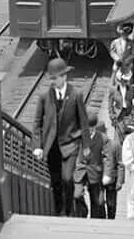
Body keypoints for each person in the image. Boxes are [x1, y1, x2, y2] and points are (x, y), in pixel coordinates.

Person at [32, 58, 90, 217]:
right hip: (51, 146)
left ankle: (70, 212)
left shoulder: (76, 94)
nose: (53, 81)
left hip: (70, 144)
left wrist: (86, 146)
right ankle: (59, 212)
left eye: (55, 78)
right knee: (56, 181)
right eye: (51, 78)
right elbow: (37, 122)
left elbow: (84, 122)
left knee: (67, 178)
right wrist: (37, 145)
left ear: (64, 77)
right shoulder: (44, 96)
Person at [73, 112, 107, 218]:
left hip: (95, 171)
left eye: (92, 127)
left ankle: (96, 221)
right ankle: (83, 211)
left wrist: (106, 174)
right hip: (80, 170)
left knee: (98, 202)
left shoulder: (103, 138)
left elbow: (106, 157)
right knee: (77, 194)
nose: (90, 130)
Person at [99, 123, 124, 220]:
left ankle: (111, 220)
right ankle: (102, 220)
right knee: (100, 202)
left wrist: (120, 181)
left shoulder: (115, 145)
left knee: (111, 204)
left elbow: (120, 164)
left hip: (112, 180)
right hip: (98, 179)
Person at [108, 68, 134, 145]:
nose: (125, 82)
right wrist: (112, 116)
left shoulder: (132, 89)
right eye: (123, 80)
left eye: (126, 81)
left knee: (128, 137)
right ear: (119, 80)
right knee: (118, 138)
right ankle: (118, 153)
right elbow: (110, 104)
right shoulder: (113, 90)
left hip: (128, 114)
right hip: (118, 115)